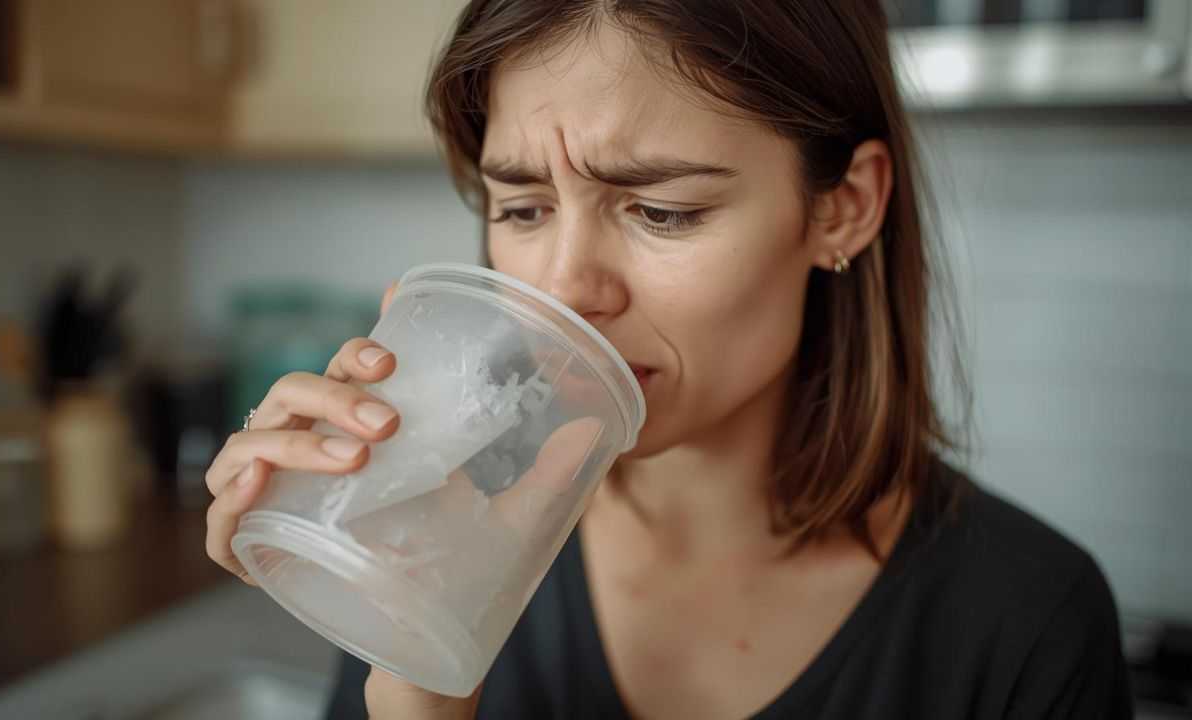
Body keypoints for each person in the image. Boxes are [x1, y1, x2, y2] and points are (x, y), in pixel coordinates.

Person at [203, 2, 1133, 718]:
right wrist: (418, 664)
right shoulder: (442, 534)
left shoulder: (1027, 620)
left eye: (663, 212)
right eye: (522, 209)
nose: (566, 290)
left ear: (843, 209)